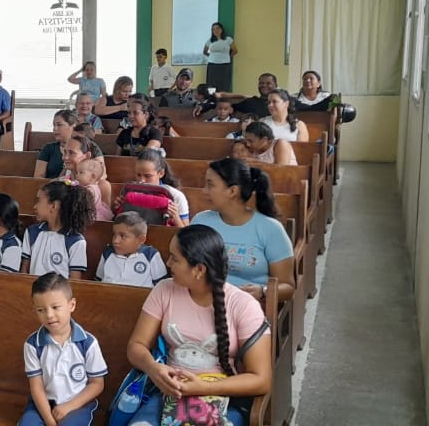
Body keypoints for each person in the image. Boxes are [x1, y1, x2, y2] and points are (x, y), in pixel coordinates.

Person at [124, 225, 271, 426]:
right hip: (168, 391)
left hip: (223, 396)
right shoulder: (164, 290)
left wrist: (203, 387)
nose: (168, 264)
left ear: (199, 270)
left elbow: (261, 379)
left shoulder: (243, 305)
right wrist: (153, 368)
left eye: (175, 259)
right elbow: (136, 345)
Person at [192, 158, 296, 302]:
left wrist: (263, 291)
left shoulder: (270, 229)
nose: (204, 191)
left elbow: (288, 287)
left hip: (251, 306)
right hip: (206, 300)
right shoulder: (201, 222)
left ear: (233, 191)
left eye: (210, 185)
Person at [19, 273, 108, 426]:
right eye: (41, 310)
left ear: (71, 305)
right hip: (43, 405)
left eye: (55, 307)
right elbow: (37, 388)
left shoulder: (88, 343)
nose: (49, 315)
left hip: (77, 404)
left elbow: (97, 383)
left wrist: (69, 406)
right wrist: (49, 421)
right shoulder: (32, 344)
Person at [21, 181, 91, 278]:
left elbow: (75, 281)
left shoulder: (76, 241)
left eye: (39, 200)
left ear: (54, 206)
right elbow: (24, 271)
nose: (35, 206)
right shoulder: (31, 232)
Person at [119, 148, 190, 227]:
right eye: (138, 175)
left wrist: (176, 217)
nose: (142, 180)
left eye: (148, 176)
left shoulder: (176, 196)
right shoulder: (130, 190)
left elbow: (186, 231)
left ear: (161, 173)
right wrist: (118, 207)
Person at [95, 212, 167, 288]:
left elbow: (161, 286)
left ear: (141, 239)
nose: (115, 241)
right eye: (114, 235)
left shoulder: (150, 255)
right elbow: (98, 281)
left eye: (122, 236)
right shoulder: (107, 253)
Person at [36, 111, 78, 179]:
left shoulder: (84, 147)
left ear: (73, 126)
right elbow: (38, 177)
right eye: (54, 125)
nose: (55, 128)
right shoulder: (48, 148)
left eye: (59, 125)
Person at [73, 157, 113, 222]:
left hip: (90, 215)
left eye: (81, 173)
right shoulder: (84, 186)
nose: (77, 175)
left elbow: (81, 201)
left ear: (93, 176)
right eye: (77, 172)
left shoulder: (90, 189)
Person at [204, 21, 238, 92]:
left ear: (221, 29)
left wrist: (226, 57)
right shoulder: (210, 40)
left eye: (217, 28)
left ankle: (224, 99)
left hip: (225, 65)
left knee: (224, 84)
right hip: (212, 65)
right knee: (212, 84)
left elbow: (235, 51)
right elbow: (205, 51)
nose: (216, 30)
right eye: (213, 29)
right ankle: (212, 99)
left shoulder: (228, 39)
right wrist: (213, 57)